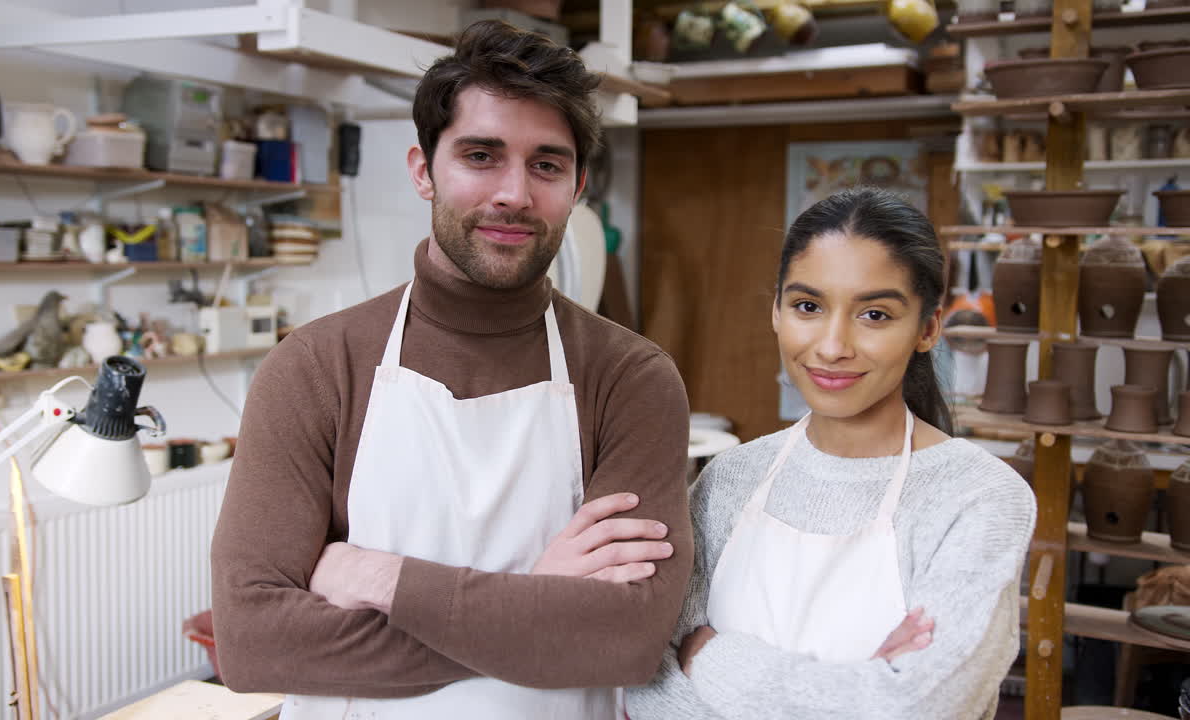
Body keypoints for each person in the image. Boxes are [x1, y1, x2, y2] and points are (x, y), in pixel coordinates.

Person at [210, 20, 693, 720]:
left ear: (578, 184)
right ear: (422, 170)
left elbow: (625, 640)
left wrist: (382, 577)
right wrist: (536, 606)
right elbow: (254, 644)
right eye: (480, 155)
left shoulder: (631, 379)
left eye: (546, 165)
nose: (513, 194)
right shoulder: (317, 367)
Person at [626, 187, 1036, 720]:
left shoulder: (977, 498)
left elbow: (919, 707)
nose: (832, 345)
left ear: (928, 328)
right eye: (808, 306)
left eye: (875, 315)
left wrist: (711, 656)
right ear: (776, 310)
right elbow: (647, 679)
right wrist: (855, 692)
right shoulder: (730, 480)